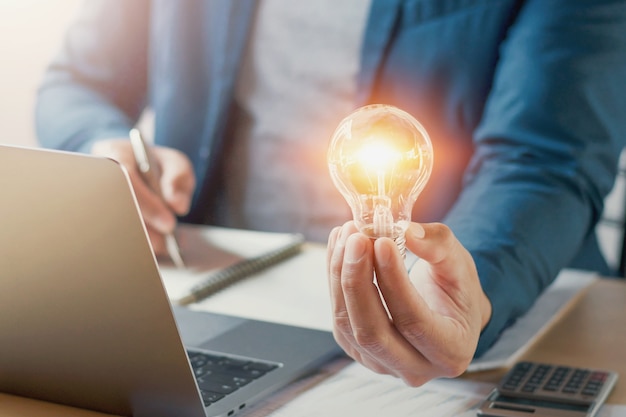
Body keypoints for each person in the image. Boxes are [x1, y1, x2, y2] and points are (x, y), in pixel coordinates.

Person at [35, 0, 626, 385]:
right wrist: (103, 144)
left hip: (470, 311)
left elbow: (546, 155)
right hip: (221, 280)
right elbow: (77, 81)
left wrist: (464, 285)